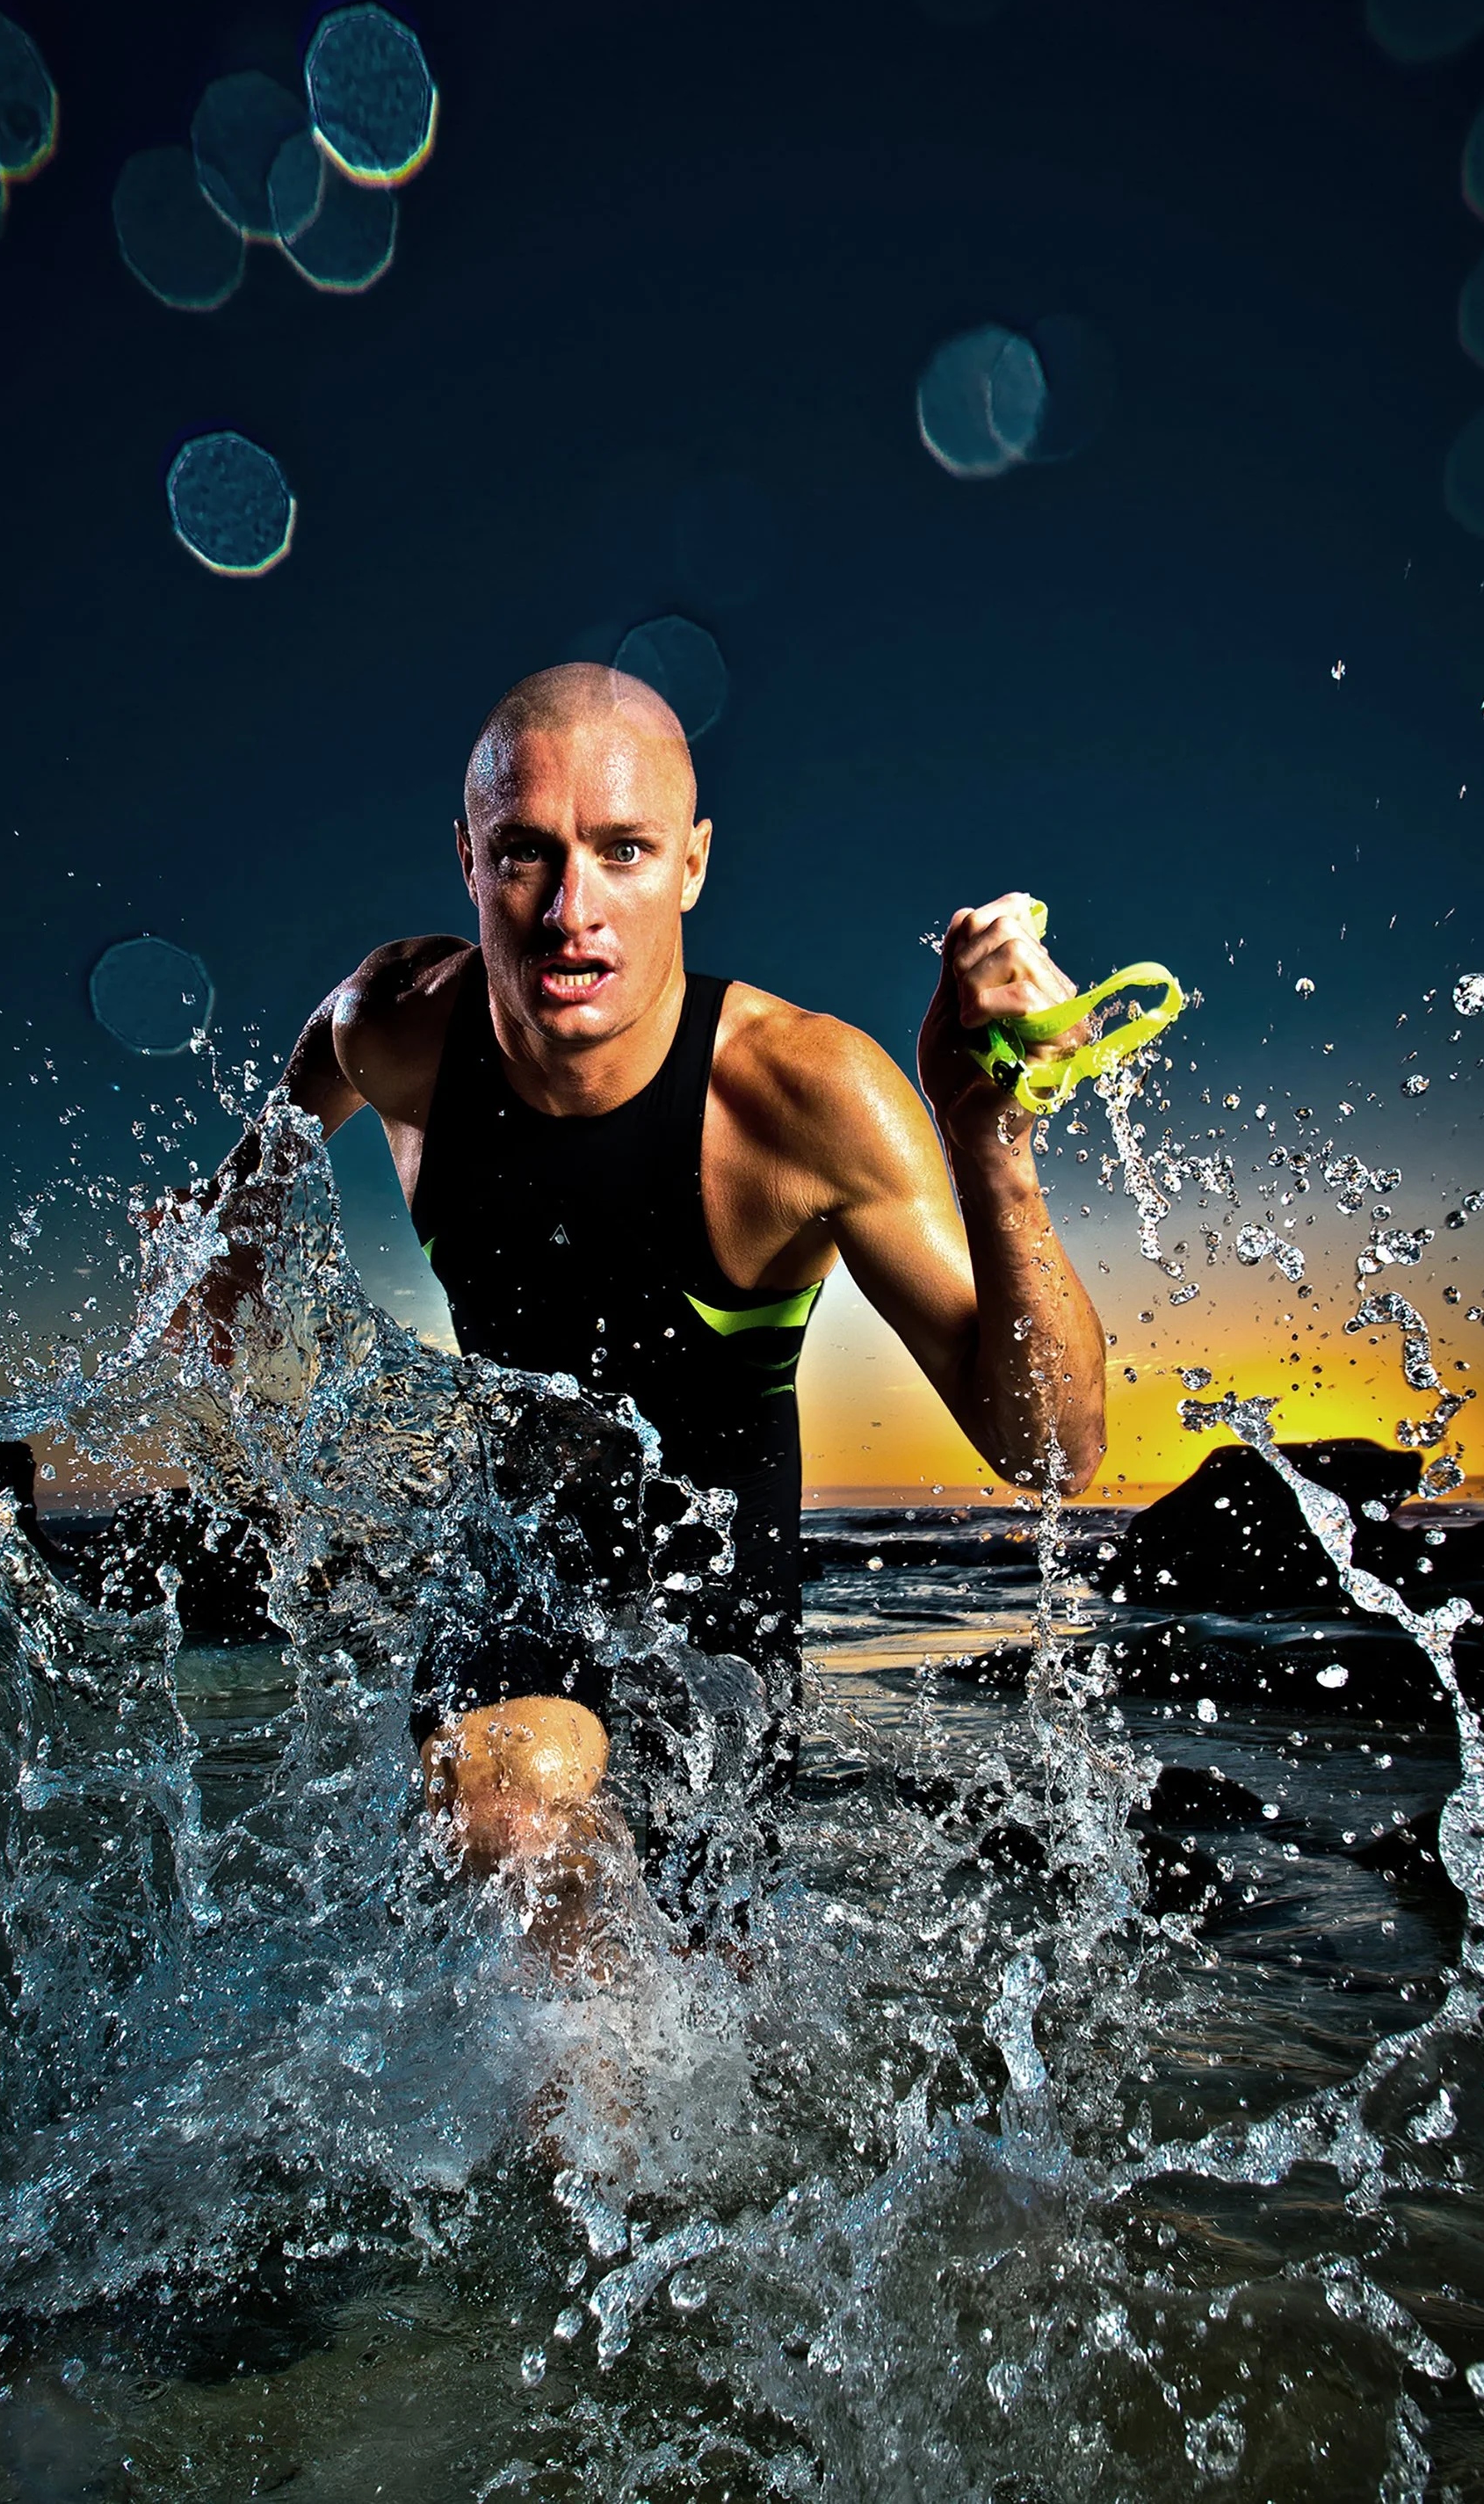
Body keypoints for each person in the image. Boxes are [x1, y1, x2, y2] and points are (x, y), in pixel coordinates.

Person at [185, 661, 1105, 1919]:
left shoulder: (807, 1098)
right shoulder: (397, 1027)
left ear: (693, 865)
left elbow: (1054, 1452)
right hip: (510, 1558)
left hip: (717, 1598)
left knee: (686, 1979)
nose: (573, 912)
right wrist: (236, 1219)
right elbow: (307, 1084)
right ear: (467, 860)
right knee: (499, 1809)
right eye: (527, 854)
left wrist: (990, 1140)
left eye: (624, 851)